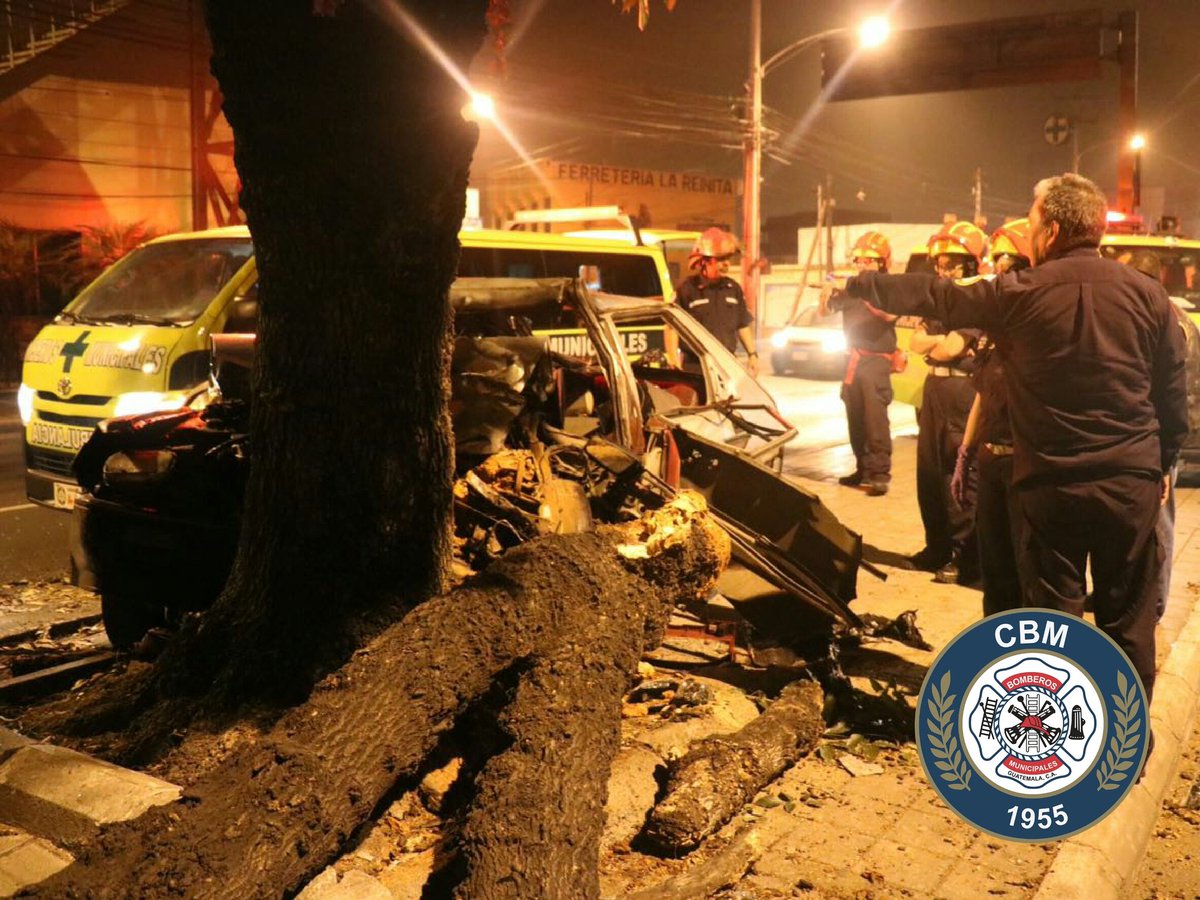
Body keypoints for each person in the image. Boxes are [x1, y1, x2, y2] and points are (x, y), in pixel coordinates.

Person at [823, 173, 1189, 702]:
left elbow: (939, 296)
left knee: (1054, 626)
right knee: (1127, 620)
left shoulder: (1021, 293)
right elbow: (1171, 392)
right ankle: (1126, 743)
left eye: (1034, 221)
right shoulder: (1149, 296)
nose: (1031, 233)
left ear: (1054, 229)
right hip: (1129, 483)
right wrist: (1164, 462)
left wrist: (860, 284)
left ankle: (1066, 742)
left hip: (1050, 486)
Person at [951, 218, 1032, 615]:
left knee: (1028, 574)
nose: (999, 266)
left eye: (1009, 259)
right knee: (996, 573)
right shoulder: (992, 327)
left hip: (1029, 467)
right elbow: (983, 395)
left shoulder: (1039, 325)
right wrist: (965, 452)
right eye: (996, 258)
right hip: (991, 460)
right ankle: (998, 657)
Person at [908, 221, 987, 583]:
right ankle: (936, 546)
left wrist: (938, 344)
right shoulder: (939, 302)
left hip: (961, 392)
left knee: (957, 475)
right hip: (934, 391)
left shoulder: (977, 301)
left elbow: (952, 347)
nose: (943, 269)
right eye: (940, 262)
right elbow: (917, 343)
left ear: (969, 265)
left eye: (951, 262)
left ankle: (962, 554)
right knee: (928, 473)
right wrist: (937, 344)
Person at [835, 231, 898, 496]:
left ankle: (880, 473)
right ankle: (862, 467)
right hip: (852, 358)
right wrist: (829, 290)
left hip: (875, 361)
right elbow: (825, 308)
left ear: (882, 263)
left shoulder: (888, 287)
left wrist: (866, 294)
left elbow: (891, 314)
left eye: (868, 260)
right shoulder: (851, 287)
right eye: (858, 260)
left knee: (875, 418)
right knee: (855, 415)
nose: (862, 265)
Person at [671, 227, 758, 376]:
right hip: (696, 367)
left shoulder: (733, 288)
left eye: (728, 259)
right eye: (720, 259)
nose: (727, 264)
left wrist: (752, 354)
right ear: (705, 261)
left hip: (727, 364)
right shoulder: (687, 289)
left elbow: (742, 324)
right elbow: (671, 328)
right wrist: (673, 362)